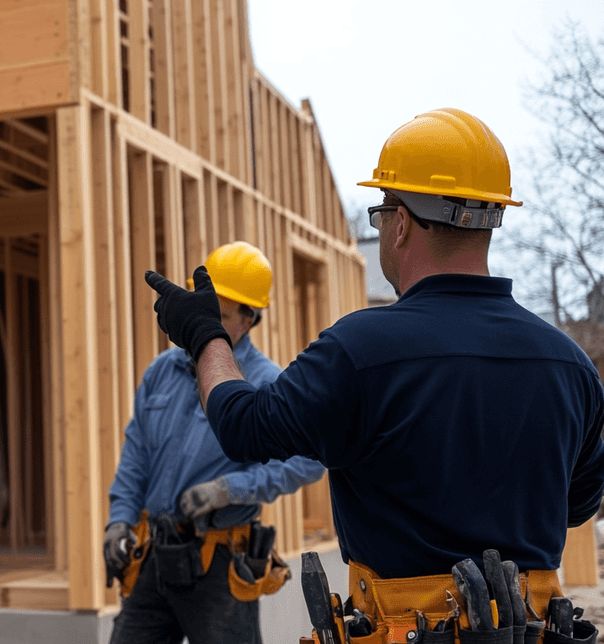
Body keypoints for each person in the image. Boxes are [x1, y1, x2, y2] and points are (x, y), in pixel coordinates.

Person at [144, 108, 604, 639]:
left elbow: (245, 425)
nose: (382, 226)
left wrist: (206, 337)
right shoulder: (569, 364)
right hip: (533, 627)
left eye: (381, 212)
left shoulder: (360, 349)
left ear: (402, 221)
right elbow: (578, 504)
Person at [105, 242, 325, 644]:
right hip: (154, 551)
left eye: (220, 318)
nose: (205, 325)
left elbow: (310, 459)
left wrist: (229, 490)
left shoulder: (266, 382)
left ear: (248, 319)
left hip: (221, 561)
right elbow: (136, 450)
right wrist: (119, 518)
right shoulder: (162, 369)